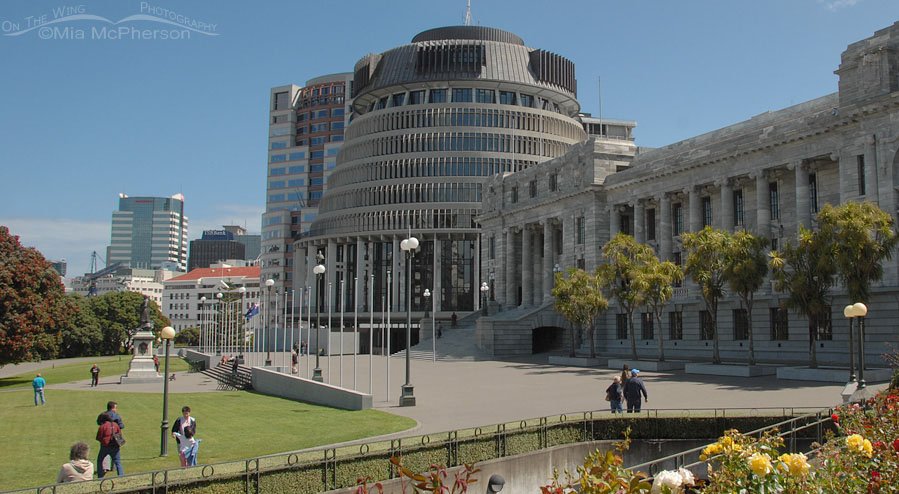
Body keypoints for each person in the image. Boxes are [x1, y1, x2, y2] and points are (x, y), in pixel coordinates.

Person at [96, 412, 123, 477]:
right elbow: (120, 435)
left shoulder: (102, 426)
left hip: (105, 447)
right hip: (115, 447)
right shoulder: (115, 424)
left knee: (100, 461)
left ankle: (100, 477)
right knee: (118, 462)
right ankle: (121, 476)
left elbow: (98, 437)